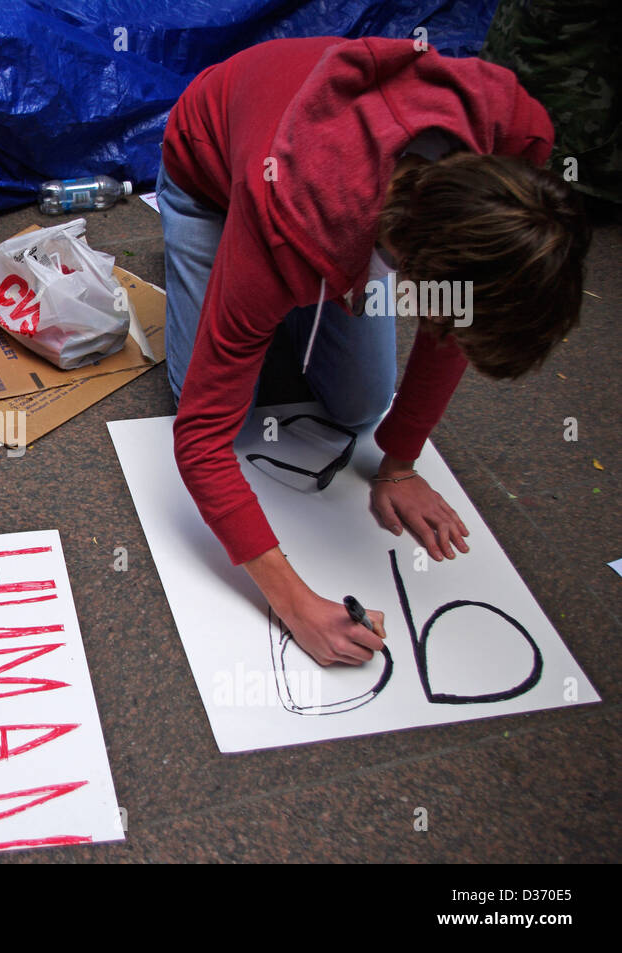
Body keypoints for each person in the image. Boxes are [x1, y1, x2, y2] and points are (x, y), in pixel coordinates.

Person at [158, 36, 590, 667]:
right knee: (217, 401)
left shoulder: (514, 146)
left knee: (362, 407)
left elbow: (458, 320)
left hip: (348, 192)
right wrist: (296, 606)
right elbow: (199, 439)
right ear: (412, 266)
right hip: (215, 170)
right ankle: (258, 284)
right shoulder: (288, 209)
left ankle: (284, 298)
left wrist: (401, 462)